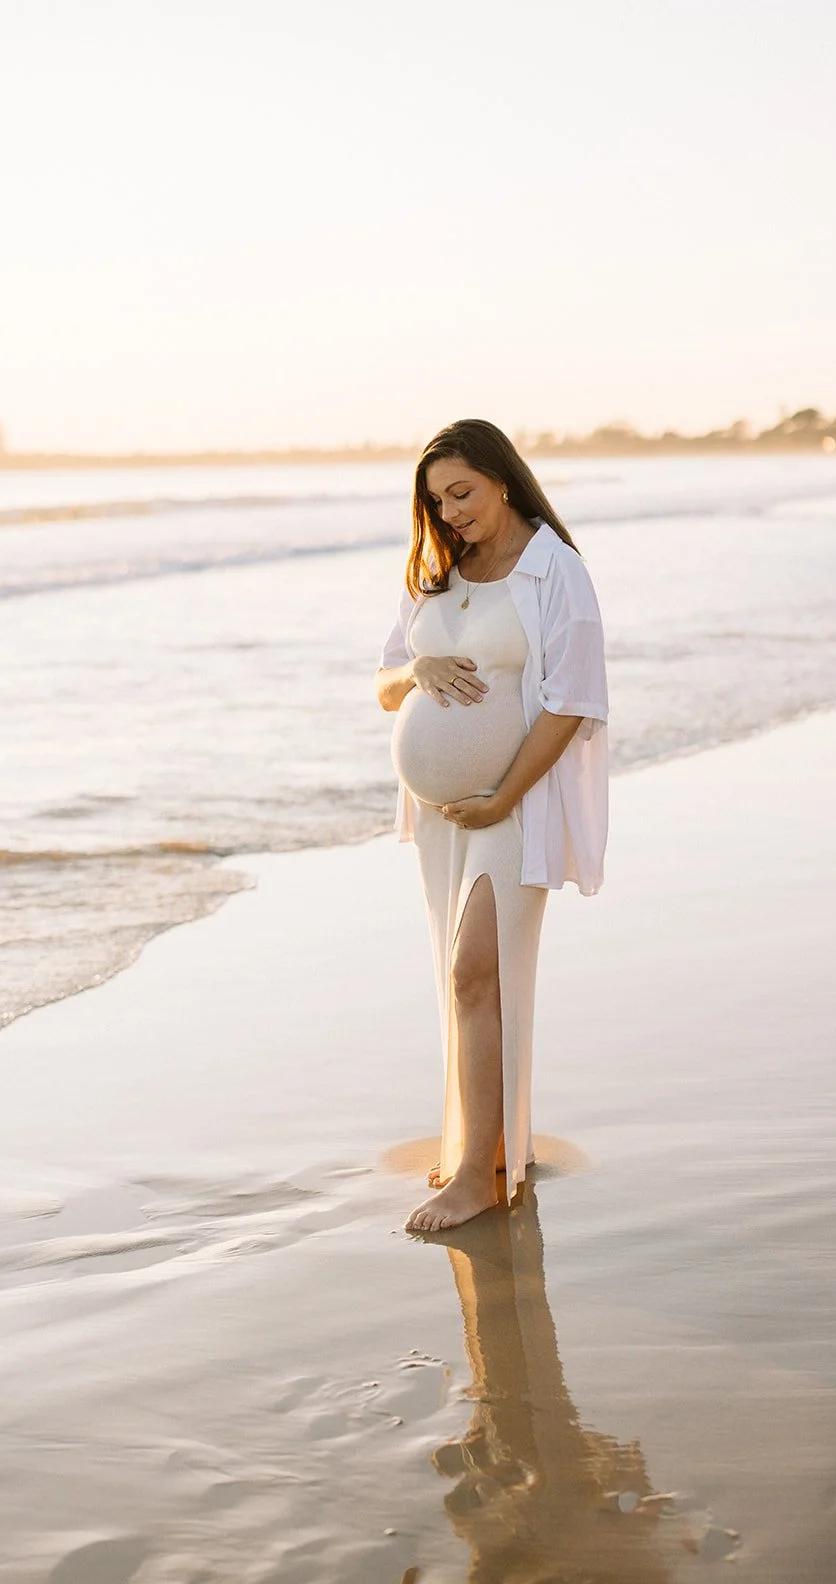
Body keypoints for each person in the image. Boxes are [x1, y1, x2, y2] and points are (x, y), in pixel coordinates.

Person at [375, 419, 608, 1232]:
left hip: (514, 801)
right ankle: (486, 1143)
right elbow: (381, 684)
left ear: (501, 478)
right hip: (443, 815)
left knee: (480, 972)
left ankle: (478, 1174)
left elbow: (572, 702)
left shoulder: (554, 572)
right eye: (437, 501)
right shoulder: (434, 572)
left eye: (461, 493)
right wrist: (415, 667)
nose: (449, 513)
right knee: (461, 979)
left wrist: (503, 796)